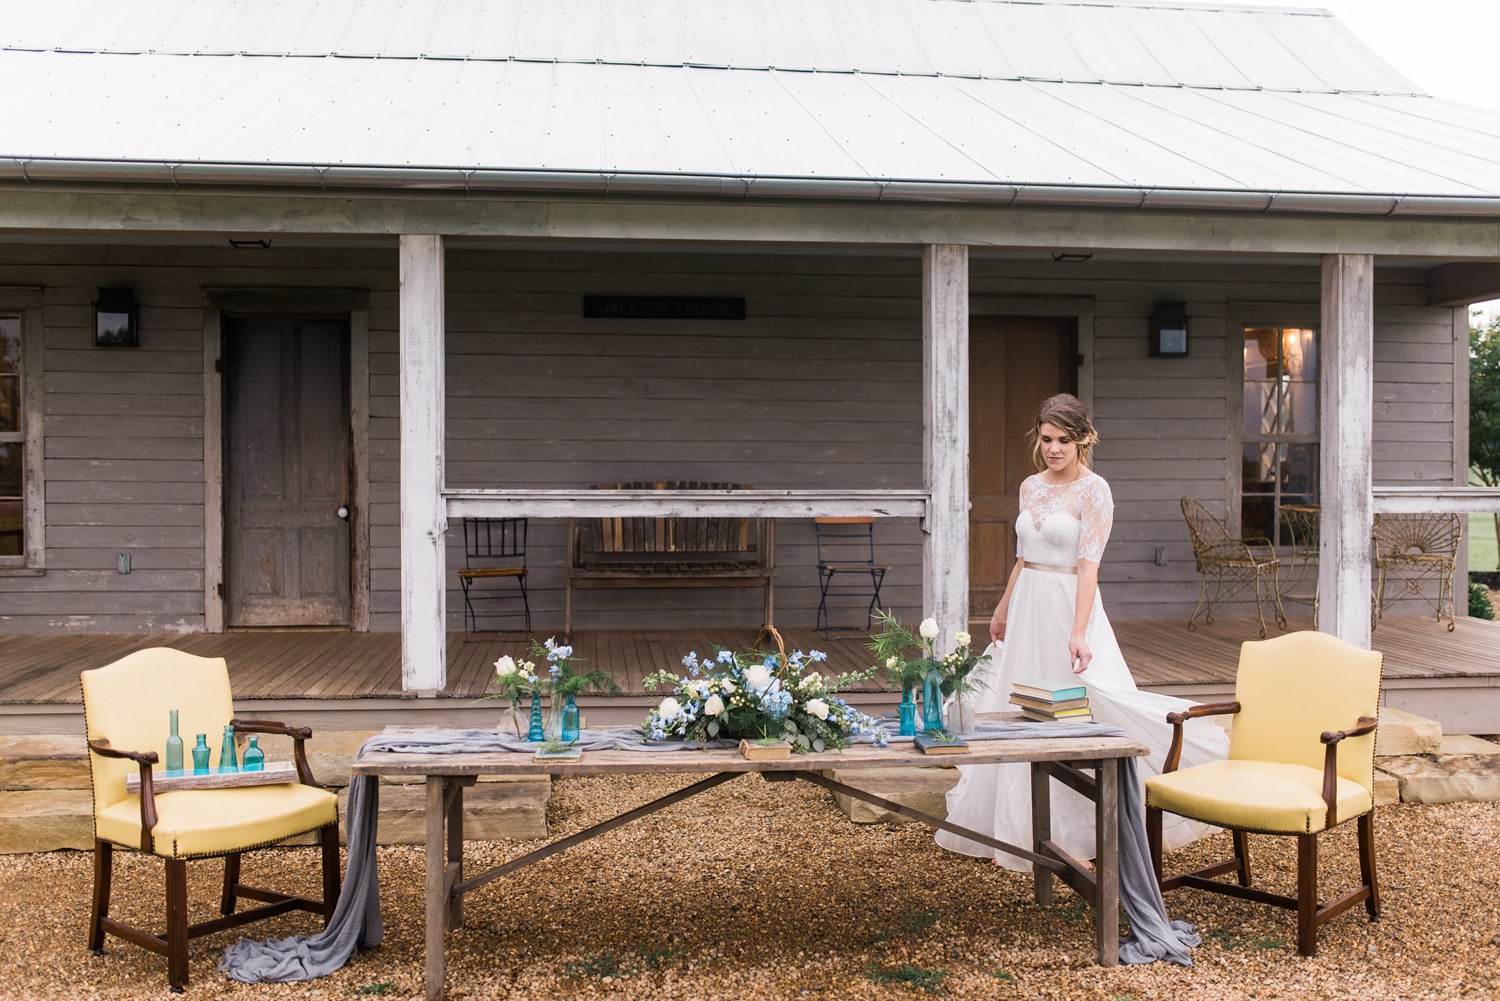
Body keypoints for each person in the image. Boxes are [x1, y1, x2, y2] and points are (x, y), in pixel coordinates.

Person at [936, 393, 1228, 869]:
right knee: (1014, 706)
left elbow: (1089, 567)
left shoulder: (1095, 491)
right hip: (1028, 600)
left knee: (1070, 712)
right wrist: (1002, 606)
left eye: (1063, 441)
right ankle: (1010, 828)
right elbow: (1021, 558)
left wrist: (1078, 630)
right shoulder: (1030, 487)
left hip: (1067, 604)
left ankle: (1076, 833)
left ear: (1082, 441)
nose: (1053, 449)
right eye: (1047, 439)